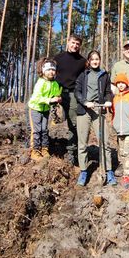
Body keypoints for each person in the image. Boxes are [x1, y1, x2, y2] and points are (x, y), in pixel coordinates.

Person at [74, 51, 116, 187]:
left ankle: (108, 171)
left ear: (99, 60)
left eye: (97, 59)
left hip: (99, 110)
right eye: (92, 59)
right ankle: (84, 171)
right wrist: (85, 102)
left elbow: (108, 91)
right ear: (89, 61)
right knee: (82, 143)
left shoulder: (104, 75)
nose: (95, 61)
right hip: (84, 111)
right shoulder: (83, 75)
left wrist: (109, 101)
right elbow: (77, 91)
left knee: (104, 142)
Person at [53, 34, 87, 165]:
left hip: (73, 95)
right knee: (48, 120)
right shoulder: (58, 58)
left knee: (73, 124)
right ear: (68, 42)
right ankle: (41, 148)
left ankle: (72, 152)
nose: (75, 46)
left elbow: (86, 78)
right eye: (73, 43)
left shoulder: (82, 61)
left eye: (77, 44)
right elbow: (49, 74)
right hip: (57, 94)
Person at [27, 58, 62, 161]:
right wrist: (50, 100)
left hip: (45, 109)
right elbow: (36, 98)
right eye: (48, 69)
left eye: (53, 70)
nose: (51, 72)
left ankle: (44, 149)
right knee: (36, 130)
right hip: (35, 109)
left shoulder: (55, 83)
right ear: (43, 71)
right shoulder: (40, 82)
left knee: (44, 130)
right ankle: (35, 151)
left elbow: (56, 95)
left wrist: (58, 98)